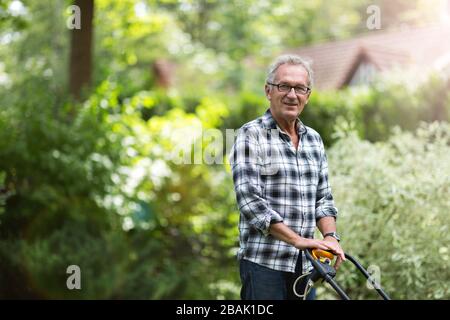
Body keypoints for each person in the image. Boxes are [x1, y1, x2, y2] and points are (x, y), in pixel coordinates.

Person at [230, 54, 345, 300]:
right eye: (284, 86)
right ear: (268, 91)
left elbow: (323, 199)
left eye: (300, 88)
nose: (292, 94)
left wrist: (330, 237)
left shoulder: (313, 139)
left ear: (308, 95)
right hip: (263, 266)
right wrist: (298, 240)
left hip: (304, 267)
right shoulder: (251, 135)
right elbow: (251, 203)